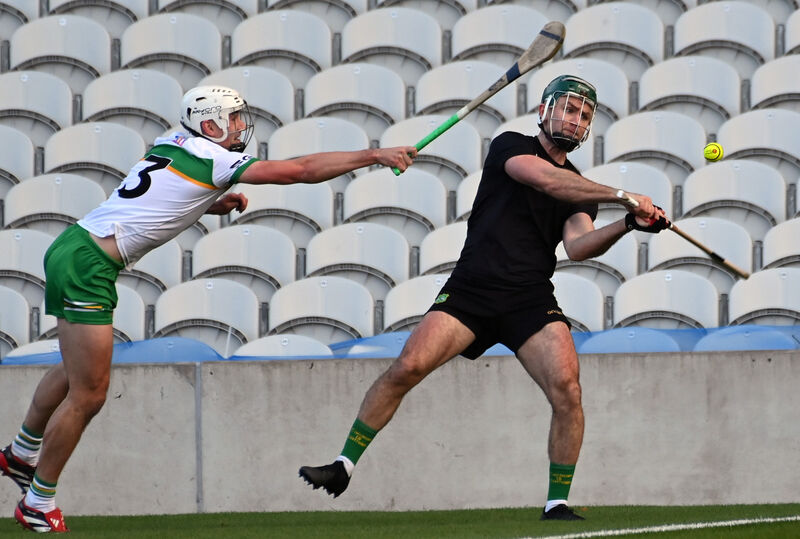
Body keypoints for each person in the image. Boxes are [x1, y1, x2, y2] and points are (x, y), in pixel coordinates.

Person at [0, 85, 417, 533]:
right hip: (90, 264)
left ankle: (21, 453)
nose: (240, 127)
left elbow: (156, 191)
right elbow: (299, 169)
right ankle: (38, 501)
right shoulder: (217, 160)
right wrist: (373, 156)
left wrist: (208, 200)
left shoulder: (172, 140)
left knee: (73, 367)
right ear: (210, 124)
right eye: (233, 119)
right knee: (91, 393)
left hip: (73, 245)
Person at [299, 75, 670, 520]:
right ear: (544, 110)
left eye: (585, 115)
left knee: (567, 390)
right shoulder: (511, 144)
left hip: (529, 299)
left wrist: (628, 223)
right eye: (569, 109)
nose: (576, 119)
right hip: (472, 289)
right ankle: (343, 465)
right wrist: (625, 197)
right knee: (408, 366)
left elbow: (579, 246)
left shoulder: (581, 188)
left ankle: (557, 503)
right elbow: (543, 180)